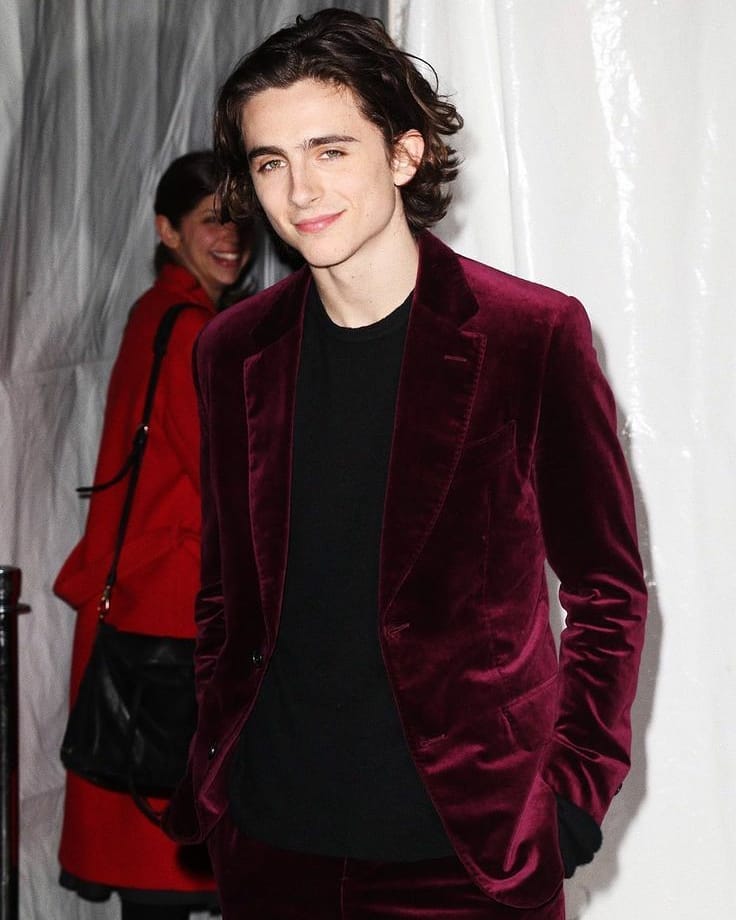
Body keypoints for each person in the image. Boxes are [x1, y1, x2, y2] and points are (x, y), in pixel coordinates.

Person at [163, 10, 648, 920]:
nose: (300, 189)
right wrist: (220, 770)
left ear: (404, 153)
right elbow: (225, 594)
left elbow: (608, 590)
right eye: (271, 163)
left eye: (330, 150)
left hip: (465, 855)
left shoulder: (529, 337)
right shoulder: (233, 351)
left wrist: (573, 794)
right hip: (272, 844)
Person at [55, 150, 255, 919]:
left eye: (238, 220)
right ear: (167, 231)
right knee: (167, 858)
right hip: (171, 615)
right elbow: (221, 480)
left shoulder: (157, 313)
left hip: (142, 599)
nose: (230, 236)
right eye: (211, 220)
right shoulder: (193, 328)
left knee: (152, 859)